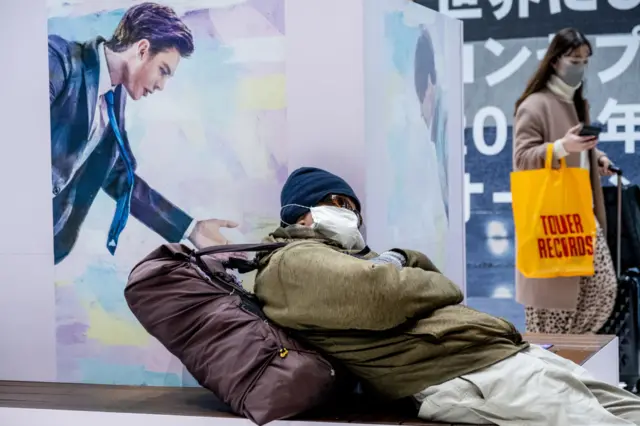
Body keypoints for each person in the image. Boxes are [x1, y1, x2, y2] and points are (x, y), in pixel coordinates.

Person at [253, 166, 640, 425]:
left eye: (352, 206)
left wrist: (404, 260)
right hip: (463, 373)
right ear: (300, 214)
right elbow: (387, 294)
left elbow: (416, 278)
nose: (349, 213)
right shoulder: (293, 261)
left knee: (630, 409)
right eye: (336, 204)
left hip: (499, 357)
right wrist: (421, 280)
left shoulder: (345, 258)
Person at [49, 2, 236, 264]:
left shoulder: (114, 99)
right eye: (163, 71)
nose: (161, 85)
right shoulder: (57, 59)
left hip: (46, 248)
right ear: (142, 49)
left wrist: (192, 229)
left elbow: (121, 179)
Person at [513, 27, 617, 334]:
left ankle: (570, 351)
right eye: (574, 60)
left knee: (601, 288)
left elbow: (575, 148)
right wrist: (561, 148)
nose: (580, 67)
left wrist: (595, 158)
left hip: (579, 211)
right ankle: (553, 356)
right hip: (553, 217)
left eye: (585, 60)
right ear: (555, 61)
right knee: (555, 302)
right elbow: (522, 158)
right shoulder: (534, 105)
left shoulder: (576, 104)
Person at [414, 28, 448, 217]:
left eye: (420, 98)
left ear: (429, 84)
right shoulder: (442, 131)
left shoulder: (446, 129)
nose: (421, 113)